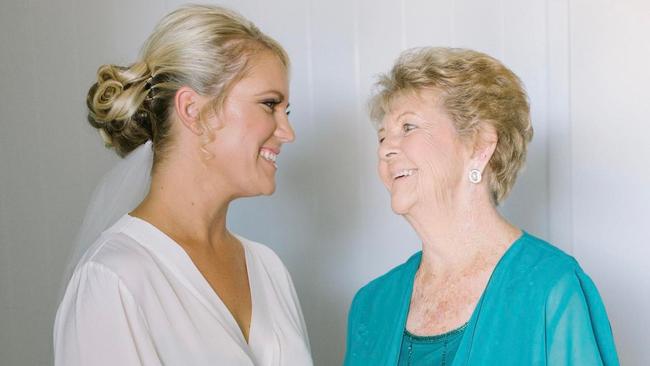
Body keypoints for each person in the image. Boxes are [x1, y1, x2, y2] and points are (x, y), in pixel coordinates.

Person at [54, 5, 312, 365]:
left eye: (287, 111)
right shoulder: (115, 279)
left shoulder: (268, 268)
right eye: (269, 105)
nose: (288, 132)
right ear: (193, 110)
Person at [344, 47, 619, 365]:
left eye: (408, 127)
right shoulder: (372, 304)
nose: (386, 149)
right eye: (381, 137)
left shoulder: (551, 287)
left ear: (479, 146)